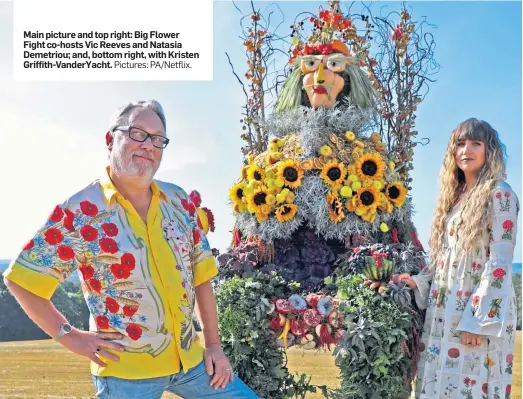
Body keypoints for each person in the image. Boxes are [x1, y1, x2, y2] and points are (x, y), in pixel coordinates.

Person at [3, 100, 259, 399]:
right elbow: (21, 280)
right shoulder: (80, 211)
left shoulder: (179, 201)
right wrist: (70, 337)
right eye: (137, 133)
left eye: (158, 139)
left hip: (192, 363)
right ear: (111, 139)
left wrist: (213, 345)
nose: (149, 145)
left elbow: (201, 275)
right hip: (125, 374)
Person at [391, 118, 519, 398]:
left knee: (471, 386)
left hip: (474, 312)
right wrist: (419, 281)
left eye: (475, 143)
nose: (466, 150)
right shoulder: (455, 198)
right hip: (444, 309)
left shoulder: (500, 194)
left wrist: (478, 321)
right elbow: (445, 257)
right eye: (460, 144)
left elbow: (499, 262)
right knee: (437, 383)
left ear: (490, 150)